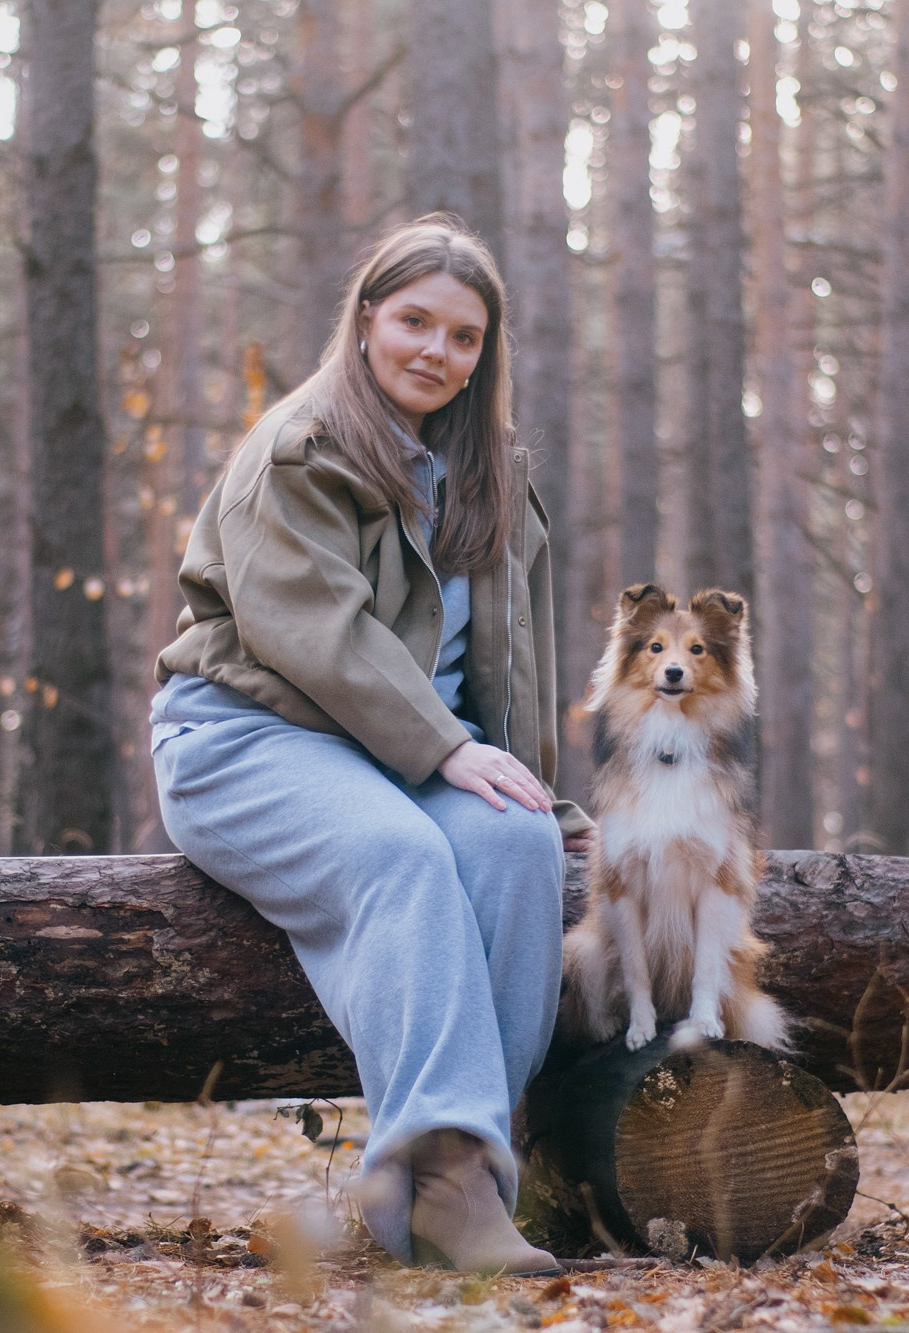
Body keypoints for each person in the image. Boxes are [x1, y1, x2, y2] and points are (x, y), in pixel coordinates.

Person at [149, 215, 593, 1275]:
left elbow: (510, 667)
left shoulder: (488, 474)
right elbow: (314, 636)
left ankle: (471, 1168)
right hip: (245, 739)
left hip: (400, 759)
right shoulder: (297, 449)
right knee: (401, 857)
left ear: (486, 356)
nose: (434, 351)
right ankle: (438, 1180)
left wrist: (529, 785)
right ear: (363, 321)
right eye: (412, 322)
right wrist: (443, 750)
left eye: (462, 336)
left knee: (512, 846)